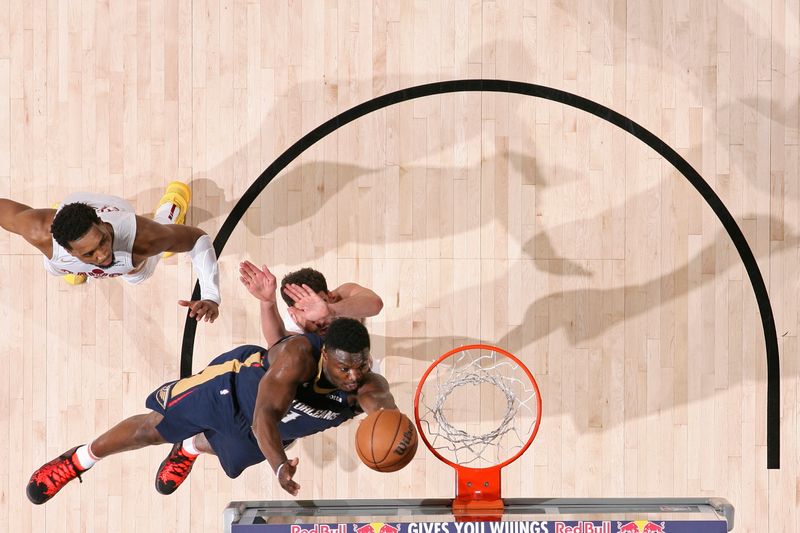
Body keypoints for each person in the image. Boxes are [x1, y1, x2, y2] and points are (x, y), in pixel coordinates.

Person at [26, 317, 397, 503]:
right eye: (344, 367)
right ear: (327, 355)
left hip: (271, 431)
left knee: (217, 448)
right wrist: (280, 465)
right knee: (152, 429)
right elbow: (263, 416)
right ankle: (78, 460)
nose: (353, 375)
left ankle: (187, 450)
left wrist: (395, 432)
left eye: (361, 365)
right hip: (229, 390)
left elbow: (385, 416)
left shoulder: (368, 387)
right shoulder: (299, 356)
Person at [0, 183, 221, 322]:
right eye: (89, 254)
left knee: (142, 270)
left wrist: (211, 295)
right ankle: (75, 259)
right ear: (68, 249)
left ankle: (172, 205)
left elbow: (196, 238)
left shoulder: (143, 239)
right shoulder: (39, 233)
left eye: (102, 241)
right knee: (53, 267)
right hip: (65, 240)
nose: (103, 255)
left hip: (126, 240)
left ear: (102, 223)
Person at [238, 260, 383, 346]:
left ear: (330, 296)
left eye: (320, 303)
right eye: (306, 310)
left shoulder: (340, 298)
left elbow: (376, 304)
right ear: (293, 315)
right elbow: (277, 341)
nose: (319, 318)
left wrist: (331, 310)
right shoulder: (294, 327)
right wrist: (267, 302)